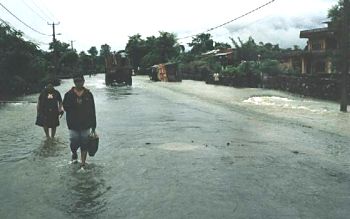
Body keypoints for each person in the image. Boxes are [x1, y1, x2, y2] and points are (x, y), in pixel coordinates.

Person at [63, 75, 96, 169]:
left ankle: (83, 162)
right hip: (73, 123)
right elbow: (65, 107)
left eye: (80, 81)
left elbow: (92, 110)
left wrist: (94, 126)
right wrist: (75, 104)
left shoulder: (88, 94)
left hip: (86, 123)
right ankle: (74, 152)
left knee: (84, 142)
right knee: (74, 141)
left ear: (83, 81)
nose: (78, 83)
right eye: (76, 81)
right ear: (74, 82)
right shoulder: (68, 94)